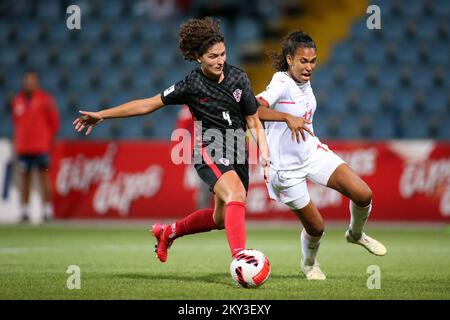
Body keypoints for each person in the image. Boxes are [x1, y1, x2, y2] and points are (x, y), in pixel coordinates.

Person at [73, 17, 270, 263]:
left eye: (223, 54)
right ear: (199, 57)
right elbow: (147, 104)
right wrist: (102, 114)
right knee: (236, 194)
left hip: (238, 149)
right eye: (213, 56)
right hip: (210, 147)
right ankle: (241, 260)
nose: (220, 61)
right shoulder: (191, 84)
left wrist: (264, 151)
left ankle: (168, 232)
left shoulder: (239, 78)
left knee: (220, 219)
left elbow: (252, 120)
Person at [256, 31, 386, 280]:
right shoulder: (281, 82)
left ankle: (355, 234)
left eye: (313, 61)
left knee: (363, 194)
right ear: (289, 59)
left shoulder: (304, 82)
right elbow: (253, 107)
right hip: (285, 169)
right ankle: (309, 264)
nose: (309, 67)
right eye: (303, 61)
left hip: (311, 152)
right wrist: (286, 117)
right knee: (316, 227)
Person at [11, 69, 60, 223]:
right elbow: (16, 123)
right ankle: (25, 211)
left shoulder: (45, 100)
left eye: (31, 81)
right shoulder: (17, 100)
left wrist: (49, 141)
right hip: (24, 147)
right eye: (26, 81)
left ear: (36, 83)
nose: (28, 84)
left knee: (44, 177)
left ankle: (47, 211)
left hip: (41, 146)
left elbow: (54, 123)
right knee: (25, 179)